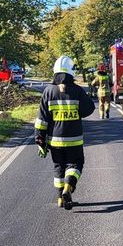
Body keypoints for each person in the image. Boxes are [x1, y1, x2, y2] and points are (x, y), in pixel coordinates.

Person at [35, 55, 95, 210]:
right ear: (71, 72)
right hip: (74, 140)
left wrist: (40, 140)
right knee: (76, 164)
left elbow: (42, 119)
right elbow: (89, 109)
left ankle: (61, 198)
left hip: (54, 141)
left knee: (58, 167)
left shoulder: (48, 91)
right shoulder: (77, 91)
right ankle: (69, 186)